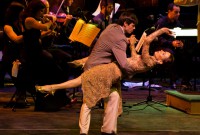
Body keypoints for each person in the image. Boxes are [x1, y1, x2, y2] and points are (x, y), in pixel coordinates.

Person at [36, 27, 174, 135]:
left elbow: (148, 41)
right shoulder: (146, 60)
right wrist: (132, 44)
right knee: (106, 94)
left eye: (163, 54)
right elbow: (133, 57)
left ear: (161, 62)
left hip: (110, 73)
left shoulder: (150, 62)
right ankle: (103, 130)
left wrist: (162, 31)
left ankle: (55, 85)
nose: (161, 50)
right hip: (112, 72)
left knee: (84, 85)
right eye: (163, 50)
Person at [154, 3, 192, 89]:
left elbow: (181, 34)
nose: (178, 14)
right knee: (170, 55)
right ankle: (173, 81)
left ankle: (185, 82)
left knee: (187, 54)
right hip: (163, 46)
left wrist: (181, 43)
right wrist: (171, 43)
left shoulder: (177, 22)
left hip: (173, 45)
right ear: (169, 11)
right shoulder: (162, 22)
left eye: (179, 12)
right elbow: (158, 38)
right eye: (176, 12)